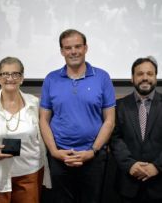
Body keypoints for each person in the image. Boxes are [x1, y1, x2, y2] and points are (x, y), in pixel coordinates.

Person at [39, 29, 115, 203]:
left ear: (86, 48)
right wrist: (54, 152)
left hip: (93, 157)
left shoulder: (102, 77)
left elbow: (109, 121)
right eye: (68, 48)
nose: (73, 51)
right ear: (62, 51)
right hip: (60, 157)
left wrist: (92, 151)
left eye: (77, 46)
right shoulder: (51, 79)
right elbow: (43, 119)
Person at [0, 57, 50, 203]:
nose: (10, 78)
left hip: (29, 173)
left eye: (15, 74)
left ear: (22, 78)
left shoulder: (34, 102)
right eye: (5, 74)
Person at [110, 57, 162, 203]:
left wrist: (157, 166)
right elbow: (115, 139)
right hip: (128, 184)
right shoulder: (119, 106)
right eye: (140, 74)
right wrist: (130, 165)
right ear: (132, 78)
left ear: (156, 78)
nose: (145, 78)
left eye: (150, 74)